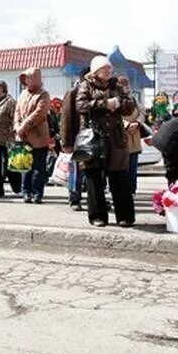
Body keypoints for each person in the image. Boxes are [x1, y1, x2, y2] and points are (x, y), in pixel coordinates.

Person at [76, 55, 136, 227]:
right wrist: (104, 104)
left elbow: (129, 107)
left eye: (110, 68)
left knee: (119, 177)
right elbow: (81, 106)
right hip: (93, 138)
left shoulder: (116, 85)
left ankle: (125, 216)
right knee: (94, 178)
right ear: (96, 71)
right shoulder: (85, 85)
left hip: (115, 138)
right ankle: (98, 216)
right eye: (105, 68)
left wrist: (121, 103)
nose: (109, 71)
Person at [14, 67, 51, 204]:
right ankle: (26, 192)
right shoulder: (22, 94)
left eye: (29, 77)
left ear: (36, 78)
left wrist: (23, 126)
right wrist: (17, 126)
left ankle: (37, 194)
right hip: (23, 137)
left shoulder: (44, 94)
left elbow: (39, 114)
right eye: (25, 78)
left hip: (39, 137)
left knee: (38, 168)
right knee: (25, 167)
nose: (27, 80)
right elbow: (17, 111)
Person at [60, 70, 88, 210]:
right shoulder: (73, 93)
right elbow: (66, 119)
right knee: (76, 172)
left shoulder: (96, 93)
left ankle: (95, 199)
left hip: (94, 140)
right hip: (78, 140)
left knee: (94, 172)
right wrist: (66, 142)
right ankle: (74, 199)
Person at [118, 77, 145, 195]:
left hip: (135, 138)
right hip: (121, 139)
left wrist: (138, 122)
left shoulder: (133, 99)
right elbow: (113, 116)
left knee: (133, 168)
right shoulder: (115, 99)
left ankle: (132, 190)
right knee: (122, 168)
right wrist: (127, 125)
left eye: (127, 84)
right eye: (123, 85)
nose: (126, 87)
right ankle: (122, 191)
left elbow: (142, 111)